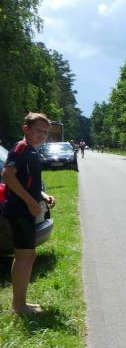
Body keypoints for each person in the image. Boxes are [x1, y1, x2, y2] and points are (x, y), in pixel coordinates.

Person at [3, 113, 56, 316]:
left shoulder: (32, 151)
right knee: (24, 256)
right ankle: (19, 306)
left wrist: (43, 196)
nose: (43, 135)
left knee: (28, 255)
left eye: (45, 132)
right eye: (39, 130)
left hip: (26, 209)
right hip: (19, 210)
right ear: (26, 129)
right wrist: (30, 202)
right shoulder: (21, 148)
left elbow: (27, 182)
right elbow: (8, 176)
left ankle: (21, 302)